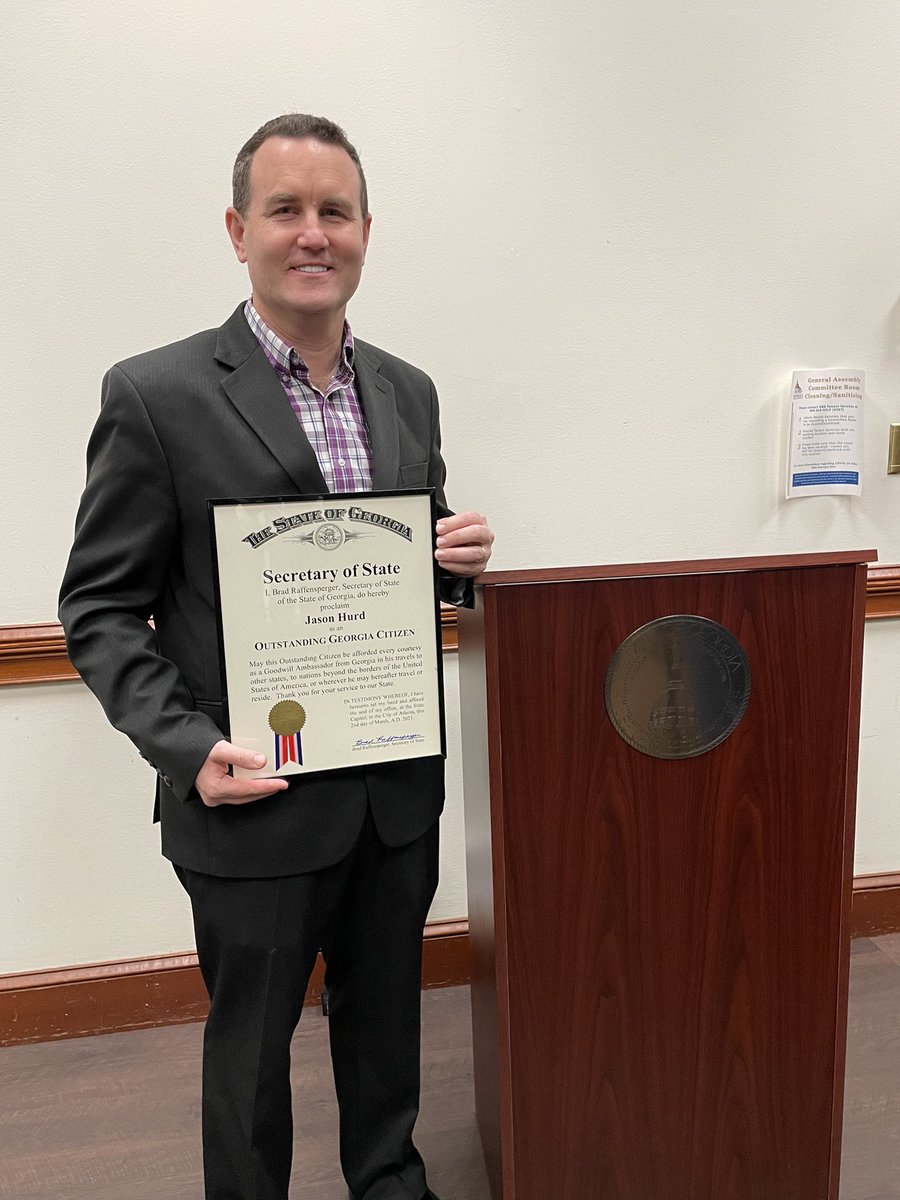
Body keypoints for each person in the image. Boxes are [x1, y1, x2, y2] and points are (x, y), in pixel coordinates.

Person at [59, 113, 494, 1200]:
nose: (313, 234)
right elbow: (101, 608)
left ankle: (389, 1181)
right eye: (286, 210)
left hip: (392, 790)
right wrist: (186, 746)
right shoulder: (154, 396)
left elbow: (400, 566)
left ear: (364, 231)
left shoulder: (407, 389)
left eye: (334, 212)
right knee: (249, 1052)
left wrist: (455, 563)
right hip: (251, 793)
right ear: (237, 229)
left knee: (389, 1024)